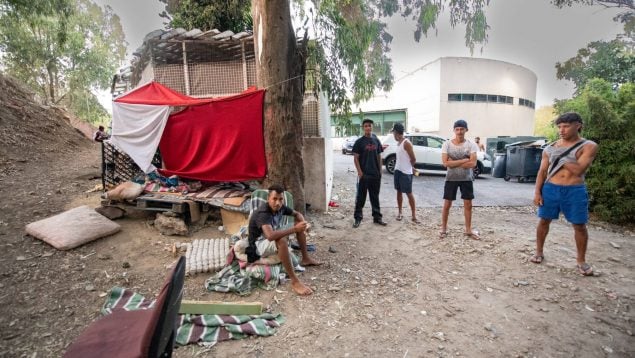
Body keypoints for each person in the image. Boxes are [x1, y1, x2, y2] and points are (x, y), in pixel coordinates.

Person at [531, 112, 598, 276]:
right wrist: (537, 192)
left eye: (566, 126)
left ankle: (581, 261)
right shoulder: (550, 148)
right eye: (559, 127)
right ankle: (539, 252)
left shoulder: (588, 146)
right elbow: (542, 171)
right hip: (551, 188)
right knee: (544, 221)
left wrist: (561, 157)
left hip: (574, 190)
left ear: (578, 125)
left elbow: (579, 170)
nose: (562, 130)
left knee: (580, 225)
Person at [246, 184, 321, 295]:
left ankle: (305, 258)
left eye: (280, 199)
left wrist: (304, 224)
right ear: (268, 199)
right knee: (281, 241)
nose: (278, 203)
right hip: (258, 244)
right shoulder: (263, 213)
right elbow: (270, 236)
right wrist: (295, 229)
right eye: (274, 199)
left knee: (298, 224)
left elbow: (297, 214)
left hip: (268, 238)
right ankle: (295, 282)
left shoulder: (280, 207)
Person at [440, 119, 480, 240]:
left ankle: (468, 230)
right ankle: (443, 228)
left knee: (468, 204)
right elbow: (445, 163)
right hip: (451, 179)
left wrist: (453, 162)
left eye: (462, 129)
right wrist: (464, 160)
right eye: (457, 129)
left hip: (466, 179)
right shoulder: (447, 144)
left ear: (466, 130)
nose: (459, 131)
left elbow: (473, 163)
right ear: (454, 130)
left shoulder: (471, 144)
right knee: (447, 204)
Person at [352, 118, 387, 228]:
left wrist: (380, 171)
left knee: (374, 197)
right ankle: (358, 218)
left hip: (375, 174)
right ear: (363, 128)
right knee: (361, 198)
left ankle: (377, 217)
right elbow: (356, 158)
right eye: (366, 126)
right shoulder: (359, 142)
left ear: (372, 127)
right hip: (364, 175)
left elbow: (379, 156)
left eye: (370, 125)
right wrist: (360, 172)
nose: (368, 127)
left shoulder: (376, 140)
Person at [391, 123, 419, 223]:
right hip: (398, 171)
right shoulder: (399, 143)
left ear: (397, 132)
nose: (393, 135)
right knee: (398, 192)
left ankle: (414, 216)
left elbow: (413, 159)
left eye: (393, 132)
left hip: (406, 173)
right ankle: (400, 212)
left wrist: (411, 168)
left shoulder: (407, 143)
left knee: (409, 193)